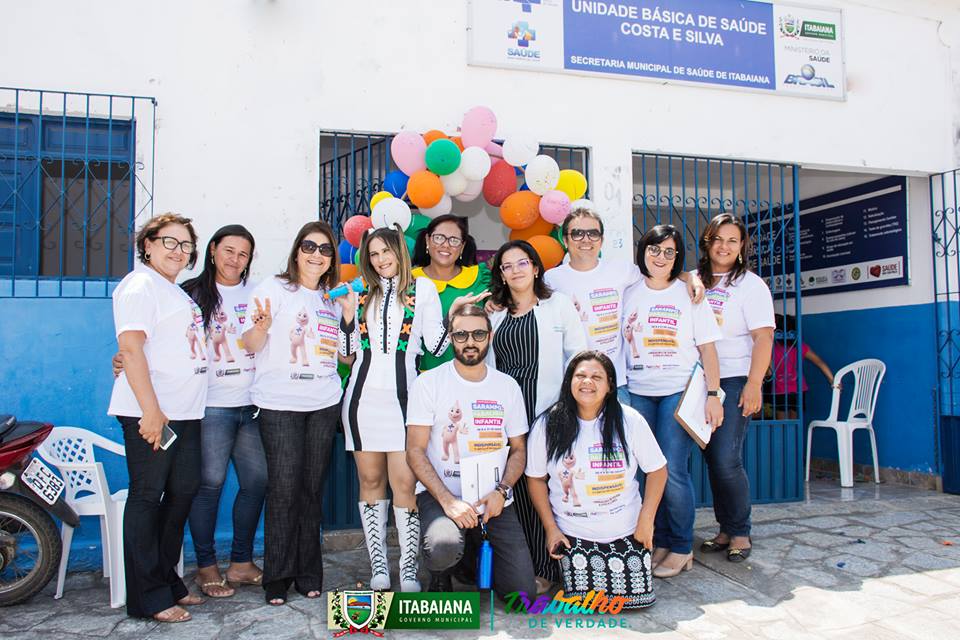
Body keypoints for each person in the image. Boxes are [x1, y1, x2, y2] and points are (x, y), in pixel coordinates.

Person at [112, 224, 266, 597]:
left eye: (243, 254)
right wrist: (126, 363)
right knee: (179, 490)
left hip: (220, 408)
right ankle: (189, 575)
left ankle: (219, 568)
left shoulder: (246, 294)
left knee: (219, 486)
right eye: (228, 250)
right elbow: (136, 344)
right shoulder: (171, 289)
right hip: (188, 409)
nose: (235, 259)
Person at [338, 225, 484, 592]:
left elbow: (435, 347)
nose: (380, 260)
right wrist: (347, 316)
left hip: (405, 402)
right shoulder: (359, 290)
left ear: (400, 252)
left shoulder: (424, 289)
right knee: (370, 482)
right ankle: (378, 567)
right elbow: (347, 354)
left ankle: (407, 569)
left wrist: (452, 315)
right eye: (373, 254)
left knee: (405, 484)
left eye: (386, 251)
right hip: (361, 401)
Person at [242, 221, 347, 606]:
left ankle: (308, 572)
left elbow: (345, 356)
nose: (317, 254)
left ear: (332, 258)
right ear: (296, 251)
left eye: (325, 249)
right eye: (309, 246)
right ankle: (278, 576)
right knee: (284, 489)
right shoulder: (272, 288)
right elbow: (250, 343)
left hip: (323, 403)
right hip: (279, 404)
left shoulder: (332, 299)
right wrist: (262, 328)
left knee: (311, 490)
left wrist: (349, 317)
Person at [107, 213, 206, 623]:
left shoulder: (174, 291)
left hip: (185, 413)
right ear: (147, 245)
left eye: (185, 245)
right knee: (147, 497)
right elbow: (131, 348)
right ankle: (148, 596)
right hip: (152, 413)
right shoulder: (140, 285)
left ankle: (167, 579)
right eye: (169, 242)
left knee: (183, 491)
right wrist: (150, 410)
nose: (178, 251)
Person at [405, 305, 537, 599]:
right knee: (443, 545)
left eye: (478, 334)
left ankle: (470, 556)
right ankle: (442, 572)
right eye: (461, 334)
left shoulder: (507, 386)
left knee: (521, 596)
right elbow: (414, 450)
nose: (470, 342)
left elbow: (518, 450)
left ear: (490, 336)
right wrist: (448, 501)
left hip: (493, 499)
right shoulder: (428, 383)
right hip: (443, 495)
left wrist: (502, 491)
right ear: (451, 337)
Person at [526, 351, 667, 608]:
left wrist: (646, 521)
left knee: (637, 601)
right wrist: (551, 529)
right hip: (574, 535)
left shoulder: (630, 421)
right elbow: (535, 479)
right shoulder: (547, 424)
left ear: (610, 385)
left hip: (627, 531)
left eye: (596, 377)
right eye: (580, 375)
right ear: (569, 381)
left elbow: (658, 471)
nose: (587, 382)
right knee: (583, 603)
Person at [622, 224, 723, 579]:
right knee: (646, 470)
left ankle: (682, 546)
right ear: (643, 251)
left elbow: (708, 348)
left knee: (673, 469)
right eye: (654, 249)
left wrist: (714, 395)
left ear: (678, 256)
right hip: (637, 391)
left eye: (669, 251)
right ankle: (661, 540)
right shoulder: (629, 290)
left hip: (678, 392)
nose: (661, 257)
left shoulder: (690, 294)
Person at [487, 239, 588, 593]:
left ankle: (551, 566)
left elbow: (578, 357)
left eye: (522, 263)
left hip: (547, 411)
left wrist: (573, 407)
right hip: (506, 416)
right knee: (516, 489)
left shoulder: (558, 305)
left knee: (545, 485)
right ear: (501, 274)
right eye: (507, 265)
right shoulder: (494, 313)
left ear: (535, 267)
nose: (515, 270)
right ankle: (523, 565)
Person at [544, 207, 705, 404]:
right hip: (573, 383)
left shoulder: (621, 270)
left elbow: (657, 271)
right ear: (565, 240)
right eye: (577, 233)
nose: (586, 239)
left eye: (593, 233)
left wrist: (690, 277)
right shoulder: (551, 280)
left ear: (602, 240)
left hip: (615, 383)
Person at [695, 214, 775, 563]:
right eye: (717, 239)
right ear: (707, 243)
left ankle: (741, 531)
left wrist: (754, 383)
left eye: (732, 240)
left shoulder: (751, 286)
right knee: (713, 459)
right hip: (697, 382)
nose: (724, 246)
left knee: (727, 458)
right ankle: (725, 529)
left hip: (734, 379)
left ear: (742, 246)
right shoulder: (695, 279)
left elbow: (764, 337)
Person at [411, 214, 492, 371]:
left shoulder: (480, 277)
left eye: (454, 240)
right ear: (427, 240)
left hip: (470, 373)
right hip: (422, 374)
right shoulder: (409, 280)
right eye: (439, 238)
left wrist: (494, 301)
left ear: (462, 247)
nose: (446, 245)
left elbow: (503, 302)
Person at [765, 314, 837, 419]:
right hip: (798, 390)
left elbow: (769, 373)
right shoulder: (800, 347)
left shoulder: (771, 349)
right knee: (795, 422)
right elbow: (819, 362)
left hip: (779, 391)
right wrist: (832, 380)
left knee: (781, 423)